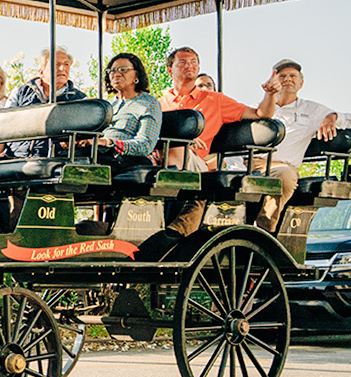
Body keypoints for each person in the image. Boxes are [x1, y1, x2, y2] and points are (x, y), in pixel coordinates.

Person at [138, 46, 265, 259]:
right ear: (170, 69)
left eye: (194, 62)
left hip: (196, 162)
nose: (190, 66)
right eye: (183, 62)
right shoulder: (159, 103)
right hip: (162, 158)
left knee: (177, 149)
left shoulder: (215, 100)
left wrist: (269, 93)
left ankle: (173, 225)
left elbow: (260, 113)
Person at [252, 59, 345, 232]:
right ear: (273, 81)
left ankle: (264, 230)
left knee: (284, 175)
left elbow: (346, 119)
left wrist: (332, 117)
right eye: (282, 76)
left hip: (280, 166)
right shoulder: (259, 108)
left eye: (293, 76)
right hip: (249, 162)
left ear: (301, 83)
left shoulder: (312, 110)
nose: (288, 79)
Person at [5, 46, 88, 159]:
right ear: (41, 72)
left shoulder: (80, 100)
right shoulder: (20, 93)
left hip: (57, 159)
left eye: (66, 64)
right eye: (56, 64)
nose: (62, 68)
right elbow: (4, 126)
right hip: (16, 157)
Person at [91, 52, 161, 173]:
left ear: (136, 75)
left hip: (130, 158)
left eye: (123, 69)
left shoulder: (148, 103)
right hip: (100, 152)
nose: (116, 74)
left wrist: (110, 143)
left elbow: (145, 145)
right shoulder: (107, 106)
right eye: (112, 71)